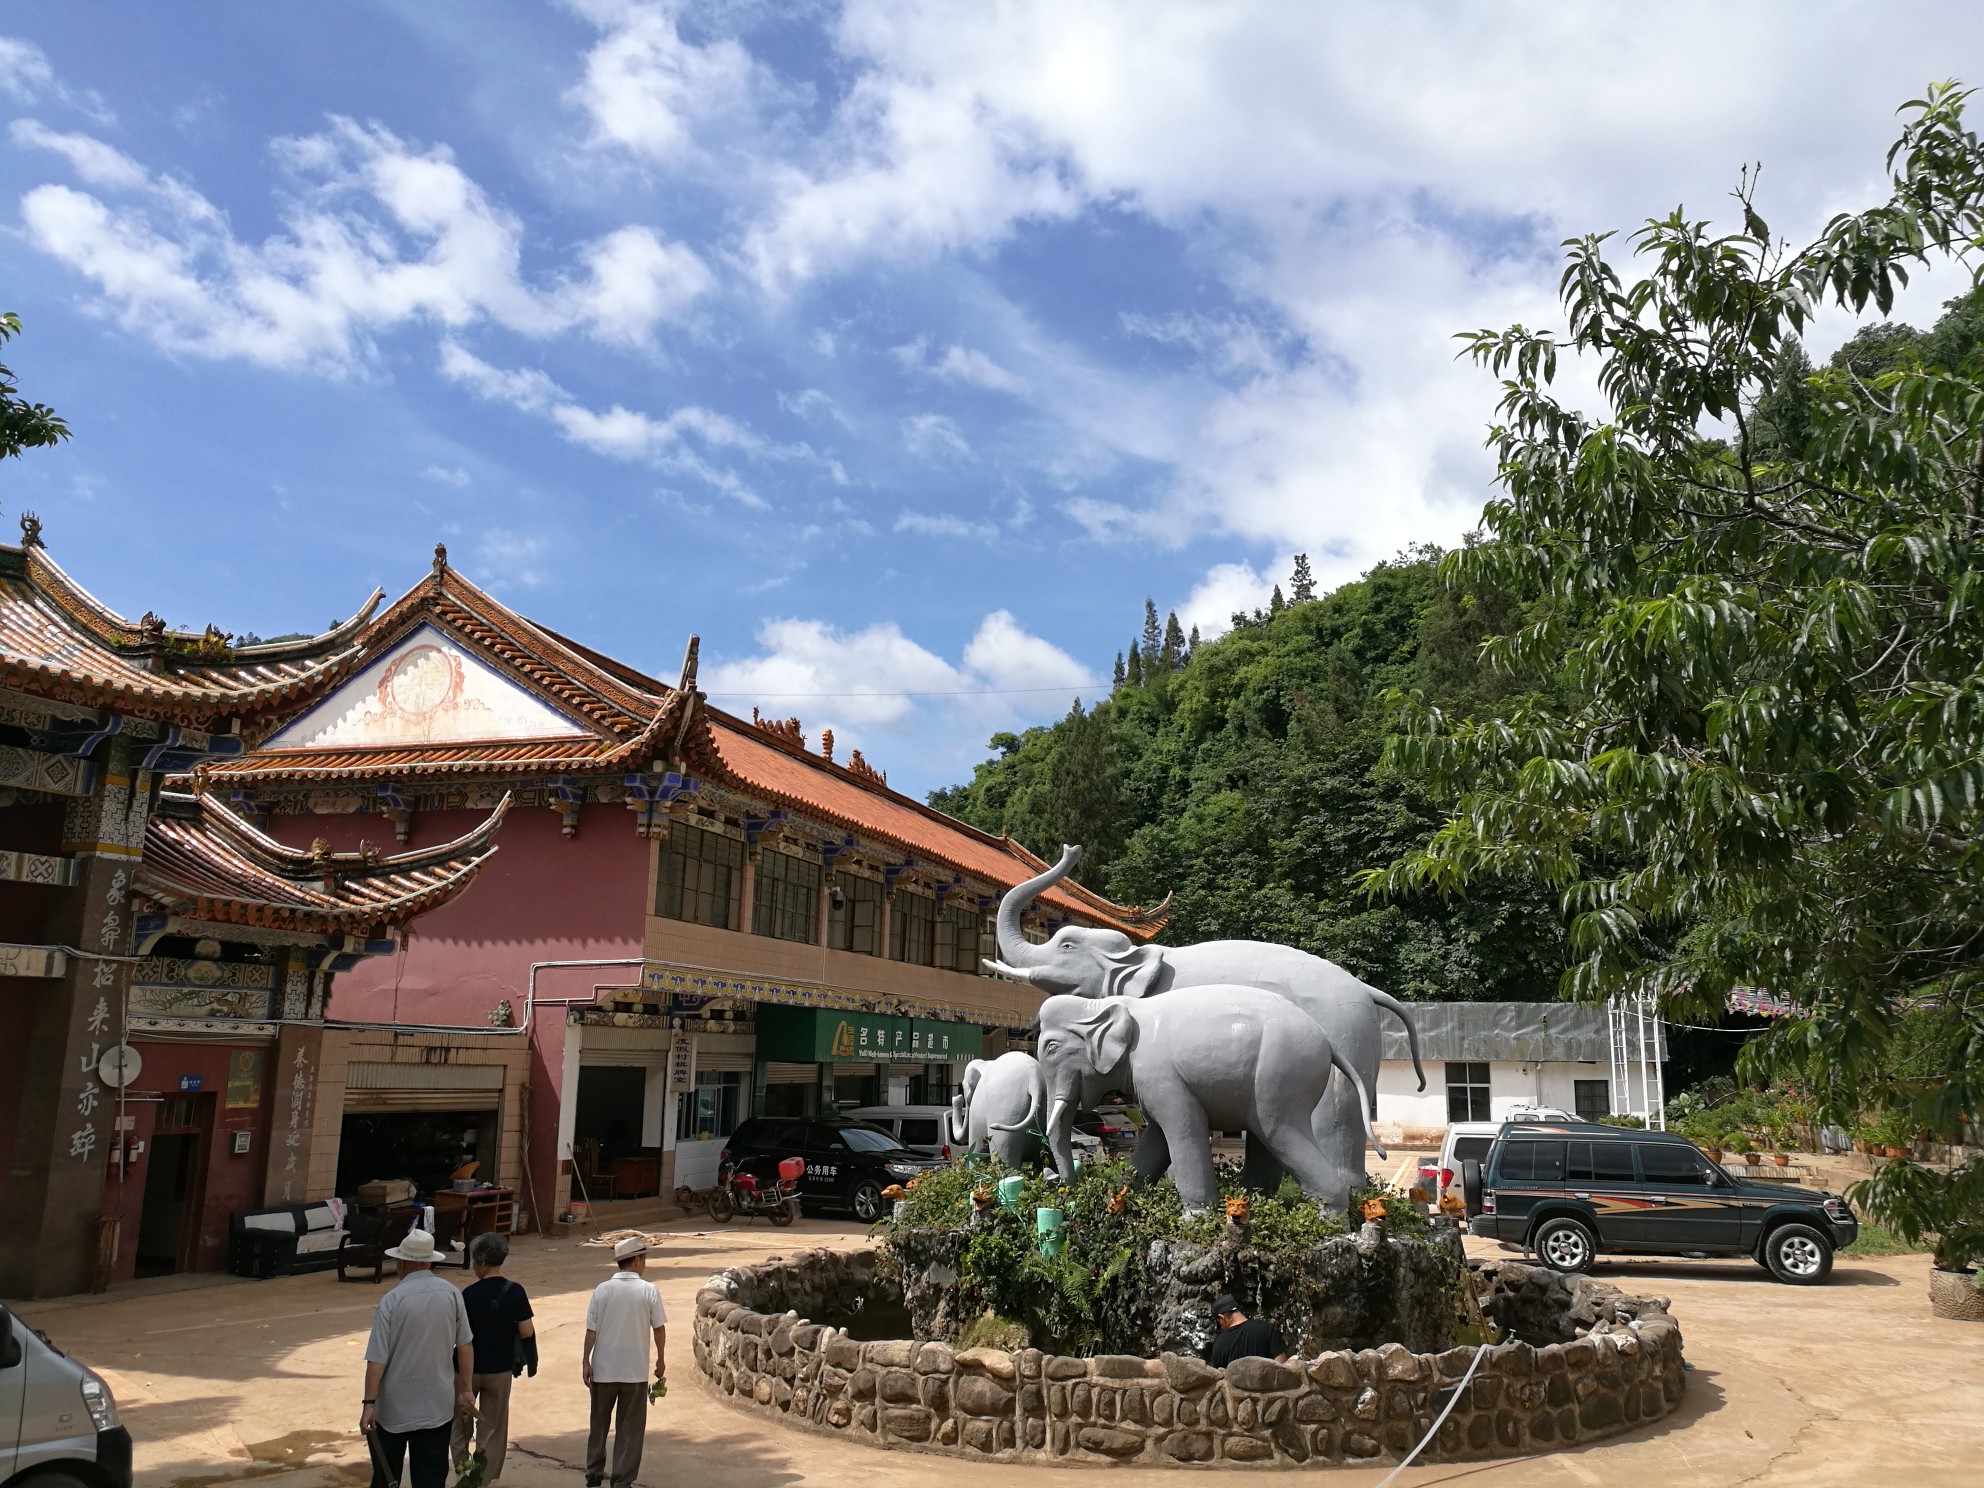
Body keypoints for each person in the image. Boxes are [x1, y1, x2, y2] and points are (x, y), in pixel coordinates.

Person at [360, 1227, 474, 1488]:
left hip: (394, 1409)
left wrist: (369, 1403)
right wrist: (465, 1390)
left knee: (386, 1478)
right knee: (431, 1478)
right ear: (430, 1260)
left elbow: (377, 1359)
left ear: (402, 1263)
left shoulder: (392, 1300)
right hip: (437, 1406)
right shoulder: (452, 1293)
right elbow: (465, 1346)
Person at [582, 1236, 667, 1488]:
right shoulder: (649, 1290)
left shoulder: (602, 1289)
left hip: (604, 1370)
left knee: (598, 1423)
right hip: (634, 1372)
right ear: (638, 1259)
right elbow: (659, 1329)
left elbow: (591, 1331)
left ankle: (594, 1473)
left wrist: (585, 1361)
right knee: (629, 1429)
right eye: (644, 1259)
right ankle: (622, 1480)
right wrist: (661, 1359)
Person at [452, 1232, 538, 1481]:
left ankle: (462, 1472)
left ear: (480, 1262)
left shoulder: (467, 1294)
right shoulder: (515, 1291)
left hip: (465, 1371)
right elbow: (526, 1331)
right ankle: (482, 1479)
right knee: (492, 1428)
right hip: (499, 1369)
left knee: (459, 1423)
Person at [1206, 1293, 1288, 1367]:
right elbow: (1282, 1365)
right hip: (1268, 1382)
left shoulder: (1219, 1345)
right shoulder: (1266, 1328)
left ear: (1221, 1317)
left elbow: (1220, 1378)